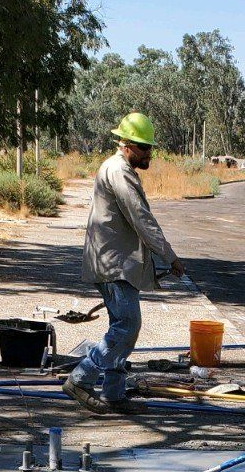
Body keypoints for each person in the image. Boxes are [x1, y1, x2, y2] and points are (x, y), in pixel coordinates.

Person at [63, 112, 184, 414]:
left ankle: (114, 394)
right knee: (128, 326)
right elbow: (141, 218)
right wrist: (169, 255)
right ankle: (80, 378)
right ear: (127, 144)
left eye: (150, 147)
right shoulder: (118, 171)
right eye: (144, 148)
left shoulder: (119, 168)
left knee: (122, 326)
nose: (149, 153)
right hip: (114, 265)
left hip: (115, 262)